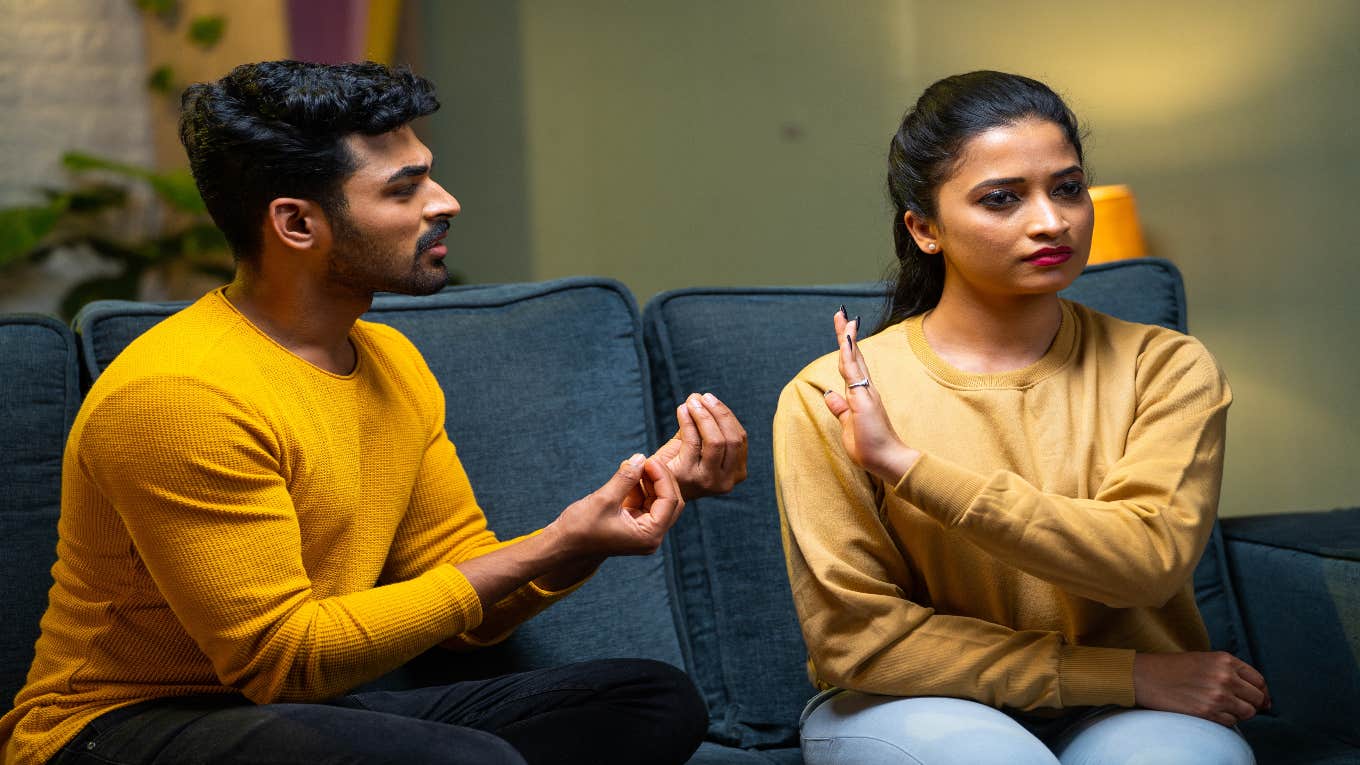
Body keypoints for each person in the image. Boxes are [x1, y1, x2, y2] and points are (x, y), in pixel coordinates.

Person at [1, 60, 749, 765]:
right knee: (464, 760)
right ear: (297, 223)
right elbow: (280, 660)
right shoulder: (181, 392)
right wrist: (554, 541)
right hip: (117, 728)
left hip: (302, 713)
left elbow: (474, 609)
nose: (445, 202)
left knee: (650, 700)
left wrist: (622, 507)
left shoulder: (391, 360)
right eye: (403, 189)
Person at [774, 71, 1265, 765]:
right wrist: (1120, 671)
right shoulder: (831, 395)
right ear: (925, 228)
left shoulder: (1166, 366)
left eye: (1067, 188)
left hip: (1138, 701)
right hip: (911, 702)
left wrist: (909, 469)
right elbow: (862, 639)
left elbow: (1146, 563)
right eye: (1002, 198)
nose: (1051, 220)